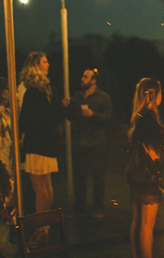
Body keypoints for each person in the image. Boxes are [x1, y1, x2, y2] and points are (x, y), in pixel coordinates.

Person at [126, 78, 164, 258]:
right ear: (154, 95)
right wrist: (162, 155)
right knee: (147, 223)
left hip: (135, 173)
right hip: (148, 175)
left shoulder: (139, 117)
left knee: (137, 219)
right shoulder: (149, 119)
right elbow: (150, 149)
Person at [17, 52, 62, 222]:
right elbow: (58, 116)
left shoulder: (30, 91)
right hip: (49, 142)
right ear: (36, 65)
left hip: (35, 143)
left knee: (39, 187)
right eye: (45, 61)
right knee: (47, 185)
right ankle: (46, 223)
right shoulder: (50, 90)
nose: (48, 64)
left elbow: (24, 121)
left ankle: (40, 225)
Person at [67, 68, 113, 217]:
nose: (82, 78)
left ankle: (98, 208)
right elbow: (71, 117)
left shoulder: (103, 97)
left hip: (96, 143)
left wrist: (93, 115)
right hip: (80, 142)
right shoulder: (77, 96)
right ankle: (79, 207)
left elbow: (109, 118)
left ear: (93, 81)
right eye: (82, 76)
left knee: (98, 176)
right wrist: (67, 106)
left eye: (85, 77)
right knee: (80, 177)